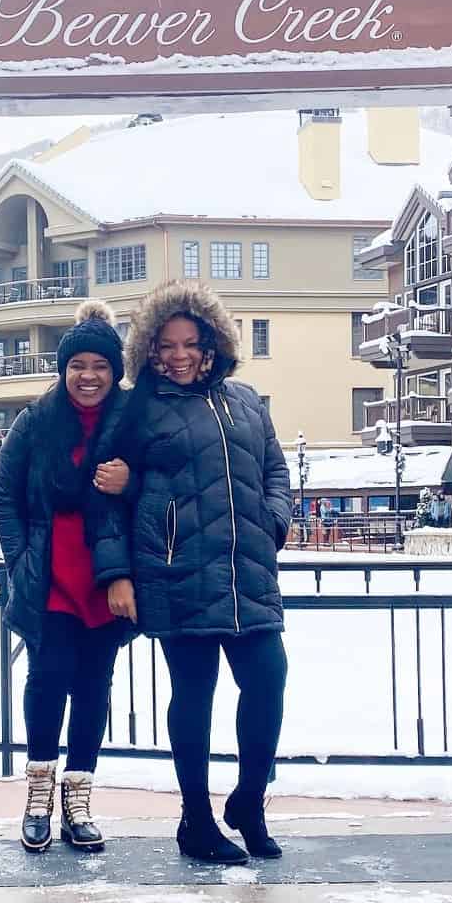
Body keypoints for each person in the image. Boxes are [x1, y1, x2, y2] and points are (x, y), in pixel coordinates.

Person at [91, 280, 290, 865]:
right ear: (149, 351)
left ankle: (249, 801)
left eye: (190, 343)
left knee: (268, 684)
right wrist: (116, 575)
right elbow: (105, 493)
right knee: (194, 697)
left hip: (247, 572)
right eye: (165, 345)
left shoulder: (247, 400)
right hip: (176, 572)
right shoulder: (136, 409)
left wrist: (273, 523)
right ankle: (195, 820)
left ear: (212, 343)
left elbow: (275, 470)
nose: (178, 355)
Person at [0, 300, 138, 853]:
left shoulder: (131, 420)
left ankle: (79, 799)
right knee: (48, 681)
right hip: (49, 575)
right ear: (64, 368)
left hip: (108, 579)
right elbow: (4, 497)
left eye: (100, 365)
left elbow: (151, 491)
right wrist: (20, 557)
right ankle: (38, 794)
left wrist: (130, 482)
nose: (89, 376)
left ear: (114, 370)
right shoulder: (35, 420)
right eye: (78, 365)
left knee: (94, 688)